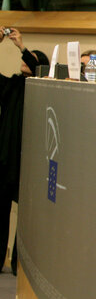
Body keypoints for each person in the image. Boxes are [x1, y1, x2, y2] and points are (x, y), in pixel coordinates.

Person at [0, 26, 49, 274]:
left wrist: (22, 46)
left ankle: (21, 263)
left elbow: (41, 69)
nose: (25, 61)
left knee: (26, 217)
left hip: (29, 162)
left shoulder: (42, 86)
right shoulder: (12, 86)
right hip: (4, 159)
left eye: (31, 58)